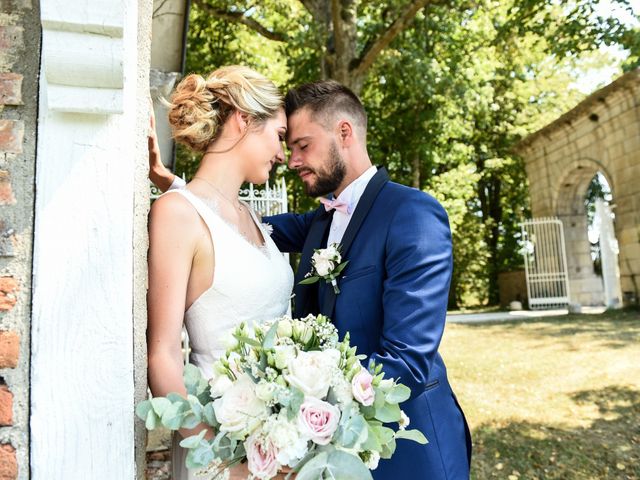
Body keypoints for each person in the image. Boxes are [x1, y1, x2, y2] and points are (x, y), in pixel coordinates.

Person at [151, 79, 472, 479]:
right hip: (305, 449)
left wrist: (301, 401)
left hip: (407, 448)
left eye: (302, 144)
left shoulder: (413, 215)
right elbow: (223, 232)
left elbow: (406, 360)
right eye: (287, 142)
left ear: (344, 133)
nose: (292, 159)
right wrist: (178, 189)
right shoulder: (318, 221)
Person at [146, 65, 294, 480]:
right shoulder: (177, 214)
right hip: (222, 457)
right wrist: (228, 466)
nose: (282, 154)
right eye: (278, 136)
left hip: (278, 448)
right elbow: (163, 358)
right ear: (244, 120)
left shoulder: (249, 215)